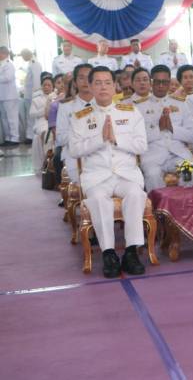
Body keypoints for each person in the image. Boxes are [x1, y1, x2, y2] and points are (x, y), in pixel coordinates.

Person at [69, 65, 149, 278]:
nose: (103, 87)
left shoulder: (130, 112)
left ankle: (131, 252)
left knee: (135, 194)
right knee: (98, 199)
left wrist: (116, 138)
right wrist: (100, 139)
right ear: (90, 86)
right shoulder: (80, 117)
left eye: (107, 83)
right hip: (97, 177)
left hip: (126, 174)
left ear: (115, 86)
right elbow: (74, 150)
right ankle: (109, 254)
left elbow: (142, 146)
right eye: (98, 83)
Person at [133, 65, 193, 191]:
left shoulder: (181, 104)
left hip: (179, 154)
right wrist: (159, 129)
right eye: (157, 82)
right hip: (153, 157)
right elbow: (137, 139)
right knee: (152, 175)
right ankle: (160, 204)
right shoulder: (139, 107)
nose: (161, 86)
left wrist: (172, 128)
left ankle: (188, 203)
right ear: (151, 83)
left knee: (190, 171)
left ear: (170, 82)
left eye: (165, 82)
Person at [56, 64, 93, 181]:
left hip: (101, 153)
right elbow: (61, 138)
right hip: (75, 155)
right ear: (75, 83)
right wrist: (86, 133)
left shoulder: (103, 104)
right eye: (81, 78)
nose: (86, 81)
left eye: (89, 77)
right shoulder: (65, 107)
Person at [30, 75, 56, 173]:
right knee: (46, 132)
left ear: (53, 87)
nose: (46, 87)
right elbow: (32, 114)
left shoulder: (57, 97)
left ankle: (55, 160)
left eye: (49, 85)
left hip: (54, 120)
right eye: (44, 85)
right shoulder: (36, 99)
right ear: (41, 86)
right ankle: (47, 160)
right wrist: (45, 109)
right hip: (41, 121)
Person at [19, 49, 42, 142]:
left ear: (26, 55)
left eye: (23, 56)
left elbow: (36, 80)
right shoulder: (30, 63)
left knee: (31, 116)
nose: (22, 58)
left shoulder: (34, 63)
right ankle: (30, 135)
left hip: (32, 95)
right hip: (28, 94)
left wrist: (35, 94)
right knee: (29, 116)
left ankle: (31, 136)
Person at [0, 46, 19, 147]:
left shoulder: (9, 64)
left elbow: (8, 77)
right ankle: (8, 137)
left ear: (4, 54)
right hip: (2, 96)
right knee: (4, 118)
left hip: (9, 96)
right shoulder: (2, 64)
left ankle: (15, 138)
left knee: (12, 118)